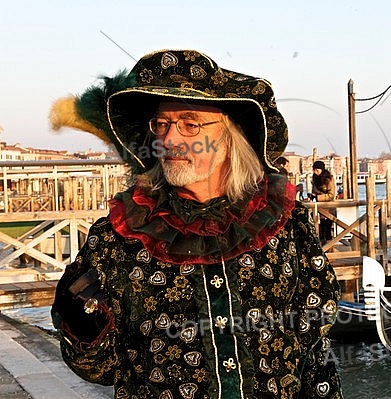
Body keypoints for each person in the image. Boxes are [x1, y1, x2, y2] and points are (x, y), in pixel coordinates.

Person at [50, 49, 342, 399]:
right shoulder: (116, 238)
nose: (169, 140)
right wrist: (82, 325)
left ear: (231, 137)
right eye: (161, 124)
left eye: (190, 124)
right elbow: (100, 369)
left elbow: (315, 354)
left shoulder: (286, 226)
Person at [310, 161, 336, 242]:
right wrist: (312, 196)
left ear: (322, 170)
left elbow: (331, 195)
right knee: (319, 230)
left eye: (317, 170)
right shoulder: (314, 179)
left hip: (328, 208)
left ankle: (328, 249)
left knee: (327, 230)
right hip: (318, 208)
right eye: (314, 170)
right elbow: (314, 191)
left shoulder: (328, 179)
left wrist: (318, 198)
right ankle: (321, 247)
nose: (315, 172)